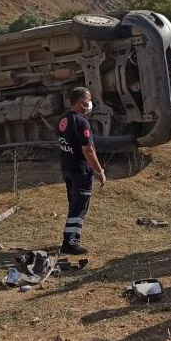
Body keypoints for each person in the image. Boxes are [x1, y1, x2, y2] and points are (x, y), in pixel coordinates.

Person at [57, 87, 107, 255]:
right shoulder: (82, 122)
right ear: (80, 103)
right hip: (80, 171)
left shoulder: (62, 120)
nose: (90, 103)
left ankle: (69, 239)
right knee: (79, 207)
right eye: (88, 100)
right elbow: (88, 150)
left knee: (74, 204)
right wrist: (99, 171)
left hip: (67, 168)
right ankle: (71, 242)